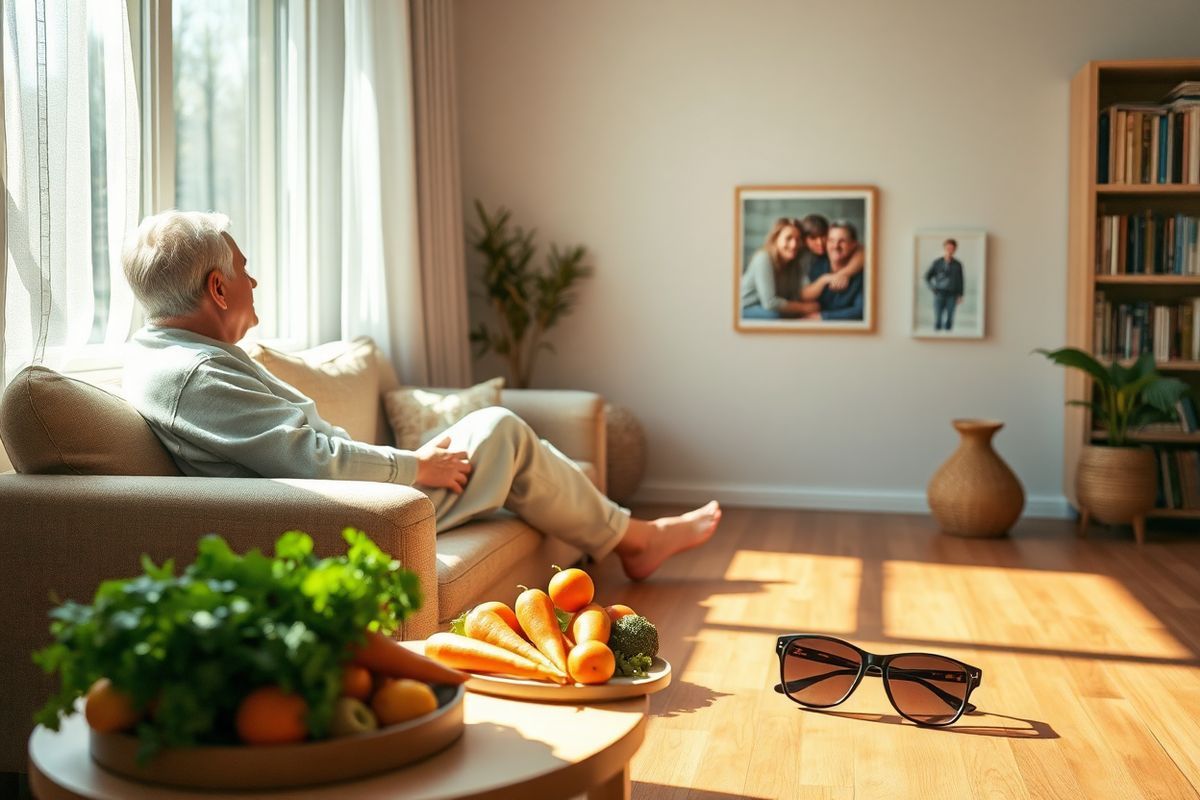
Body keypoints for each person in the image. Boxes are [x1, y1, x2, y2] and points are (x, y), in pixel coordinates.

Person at [120, 210, 721, 581]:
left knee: (506, 442)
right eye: (245, 270)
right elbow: (309, 459)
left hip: (338, 496)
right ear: (218, 288)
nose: (256, 281)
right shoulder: (195, 375)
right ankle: (635, 540)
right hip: (338, 515)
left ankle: (628, 536)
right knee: (500, 431)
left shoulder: (167, 354)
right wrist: (417, 465)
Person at [740, 217, 819, 319]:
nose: (794, 245)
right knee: (775, 316)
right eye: (788, 238)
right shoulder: (763, 258)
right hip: (746, 308)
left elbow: (793, 297)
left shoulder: (794, 263)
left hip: (767, 309)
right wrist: (804, 308)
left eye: (798, 239)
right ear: (775, 238)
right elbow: (770, 303)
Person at [803, 221, 865, 321]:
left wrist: (822, 317)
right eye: (831, 240)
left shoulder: (862, 274)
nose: (836, 246)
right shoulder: (815, 266)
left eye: (842, 241)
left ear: (853, 245)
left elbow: (860, 311)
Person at [924, 238, 964, 331]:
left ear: (954, 250)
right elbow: (927, 277)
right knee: (938, 320)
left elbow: (961, 280)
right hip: (939, 294)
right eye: (948, 248)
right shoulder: (937, 262)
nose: (950, 250)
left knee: (949, 320)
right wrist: (932, 288)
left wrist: (960, 295)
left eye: (952, 248)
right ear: (944, 248)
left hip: (952, 295)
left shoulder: (958, 264)